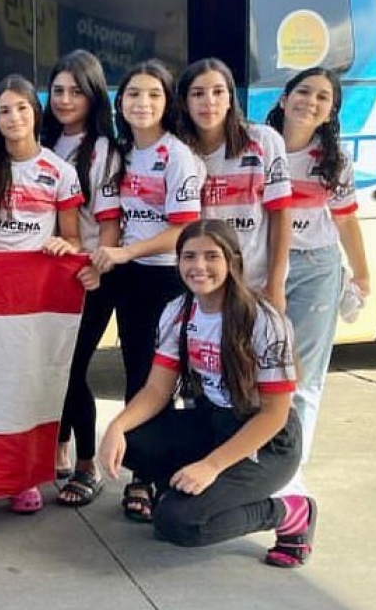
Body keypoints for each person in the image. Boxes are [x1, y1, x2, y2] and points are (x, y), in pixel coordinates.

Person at [98, 219, 316, 569]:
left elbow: (274, 414)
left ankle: (290, 512)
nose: (199, 267)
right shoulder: (178, 312)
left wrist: (212, 465)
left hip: (265, 440)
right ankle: (193, 491)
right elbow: (157, 389)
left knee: (178, 523)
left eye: (211, 257)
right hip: (212, 421)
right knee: (133, 441)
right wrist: (116, 427)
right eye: (189, 257)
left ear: (232, 262)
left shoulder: (262, 319)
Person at [0, 73, 91, 514]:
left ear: (35, 113)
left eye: (21, 108)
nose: (13, 117)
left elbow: (74, 240)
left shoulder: (61, 171)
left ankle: (25, 477)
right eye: (3, 110)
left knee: (30, 389)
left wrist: (63, 246)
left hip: (37, 302)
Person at [90, 60, 203, 522]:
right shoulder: (115, 153)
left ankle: (147, 479)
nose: (142, 103)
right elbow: (111, 217)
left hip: (163, 276)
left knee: (155, 378)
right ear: (120, 103)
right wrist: (107, 255)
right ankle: (136, 466)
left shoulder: (177, 156)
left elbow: (183, 230)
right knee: (131, 368)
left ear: (167, 102)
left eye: (154, 95)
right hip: (127, 273)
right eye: (134, 94)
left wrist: (124, 253)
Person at [265, 67, 370, 487]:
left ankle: (292, 467)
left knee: (303, 373)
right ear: (283, 100)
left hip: (315, 268)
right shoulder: (259, 147)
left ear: (330, 113)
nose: (311, 101)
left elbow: (346, 222)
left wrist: (362, 275)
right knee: (258, 366)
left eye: (323, 98)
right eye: (303, 91)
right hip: (263, 264)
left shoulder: (335, 161)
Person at [39, 50, 122, 506]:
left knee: (71, 368)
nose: (65, 100)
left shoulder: (104, 150)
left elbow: (108, 224)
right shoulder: (44, 142)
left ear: (93, 97)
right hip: (48, 276)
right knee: (49, 367)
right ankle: (58, 449)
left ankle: (89, 466)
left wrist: (96, 264)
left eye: (76, 91)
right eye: (58, 91)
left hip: (91, 276)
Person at [176, 58, 292, 311]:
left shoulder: (263, 140)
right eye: (198, 94)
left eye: (218, 92)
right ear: (185, 103)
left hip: (253, 283)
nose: (209, 101)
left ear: (230, 99)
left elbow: (281, 215)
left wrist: (275, 284)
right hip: (199, 286)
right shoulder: (177, 151)